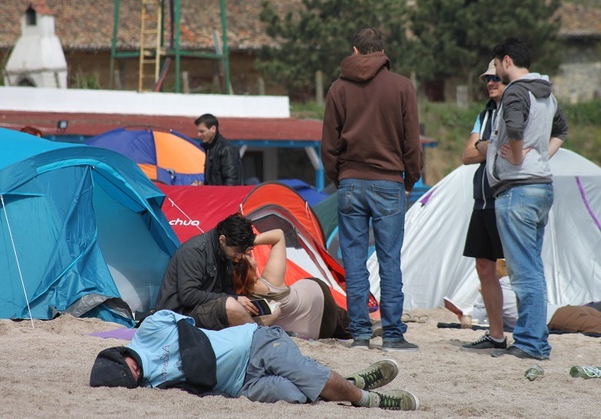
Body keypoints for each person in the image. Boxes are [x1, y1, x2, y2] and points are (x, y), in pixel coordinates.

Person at [90, 309, 419, 411]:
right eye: (128, 381)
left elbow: (193, 328)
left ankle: (369, 399)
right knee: (298, 394)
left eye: (128, 368)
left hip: (254, 344)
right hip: (241, 385)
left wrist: (194, 361)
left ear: (122, 356)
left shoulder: (149, 328)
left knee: (313, 379)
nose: (134, 375)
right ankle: (354, 382)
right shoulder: (148, 385)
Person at [321, 27, 423, 351]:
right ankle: (392, 335)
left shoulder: (338, 88)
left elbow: (328, 144)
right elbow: (412, 143)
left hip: (350, 181)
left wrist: (341, 178)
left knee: (353, 260)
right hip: (390, 181)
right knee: (389, 259)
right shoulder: (403, 87)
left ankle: (361, 334)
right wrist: (409, 181)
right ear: (381, 50)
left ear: (354, 50)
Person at [481, 38, 568, 360]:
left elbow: (514, 128)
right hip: (541, 186)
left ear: (506, 61)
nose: (495, 72)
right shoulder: (546, 94)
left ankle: (530, 343)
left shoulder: (516, 90)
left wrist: (517, 157)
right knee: (533, 267)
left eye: (496, 65)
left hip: (517, 189)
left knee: (523, 271)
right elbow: (562, 130)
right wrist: (542, 155)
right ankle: (538, 340)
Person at [459, 60, 507, 351]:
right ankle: (497, 335)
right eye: (487, 78)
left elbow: (509, 151)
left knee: (520, 269)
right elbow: (466, 155)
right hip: (483, 201)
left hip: (506, 198)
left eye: (495, 78)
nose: (489, 82)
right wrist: (489, 148)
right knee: (483, 267)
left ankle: (530, 336)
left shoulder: (516, 108)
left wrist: (484, 146)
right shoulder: (485, 113)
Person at [232, 228, 351, 340]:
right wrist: (247, 242)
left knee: (337, 318)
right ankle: (355, 325)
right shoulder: (270, 281)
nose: (251, 254)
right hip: (320, 304)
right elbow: (278, 235)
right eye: (248, 255)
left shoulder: (235, 298)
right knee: (341, 318)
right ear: (248, 268)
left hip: (309, 326)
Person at [155, 213, 259, 330]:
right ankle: (260, 340)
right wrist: (233, 299)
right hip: (179, 314)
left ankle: (259, 336)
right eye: (237, 251)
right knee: (232, 306)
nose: (239, 256)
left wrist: (241, 301)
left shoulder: (226, 252)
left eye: (243, 251)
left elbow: (226, 290)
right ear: (222, 239)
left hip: (205, 307)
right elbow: (188, 296)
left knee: (272, 311)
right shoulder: (194, 252)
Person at [469, 261, 601, 336]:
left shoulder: (496, 291)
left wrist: (482, 293)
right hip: (566, 309)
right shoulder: (518, 284)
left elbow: (475, 317)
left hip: (555, 317)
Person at [194, 113, 243, 186]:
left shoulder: (226, 149)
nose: (199, 135)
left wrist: (222, 196)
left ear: (213, 129)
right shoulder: (206, 148)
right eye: (198, 131)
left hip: (225, 196)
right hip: (213, 195)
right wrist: (202, 186)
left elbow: (232, 182)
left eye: (202, 131)